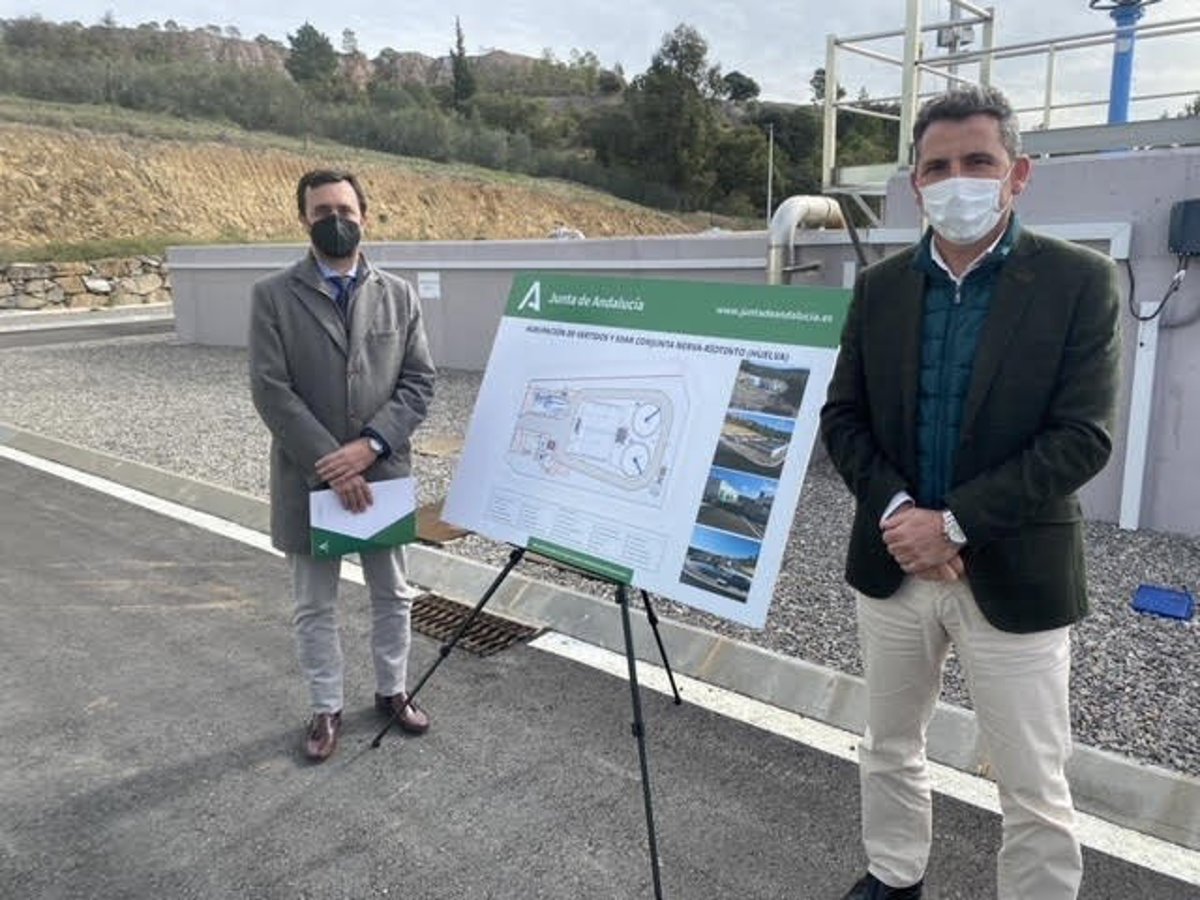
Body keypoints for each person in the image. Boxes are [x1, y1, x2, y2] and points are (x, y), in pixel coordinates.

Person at [820, 85, 1120, 900]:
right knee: (888, 743)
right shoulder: (881, 288)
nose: (959, 181)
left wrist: (952, 525)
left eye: (979, 161)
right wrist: (900, 516)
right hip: (894, 563)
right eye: (938, 166)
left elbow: (1082, 437)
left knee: (1032, 778)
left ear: (1018, 173)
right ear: (917, 183)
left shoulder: (1080, 282)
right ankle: (893, 874)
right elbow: (843, 417)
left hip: (1015, 569)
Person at [249, 168, 436, 762]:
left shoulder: (399, 294)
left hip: (382, 475)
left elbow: (418, 382)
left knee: (394, 594)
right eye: (322, 211)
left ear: (364, 216)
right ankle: (325, 706)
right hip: (309, 478)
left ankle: (392, 690)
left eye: (345, 210)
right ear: (303, 219)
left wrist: (371, 446)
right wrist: (333, 464)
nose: (336, 220)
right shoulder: (273, 296)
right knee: (314, 605)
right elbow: (271, 389)